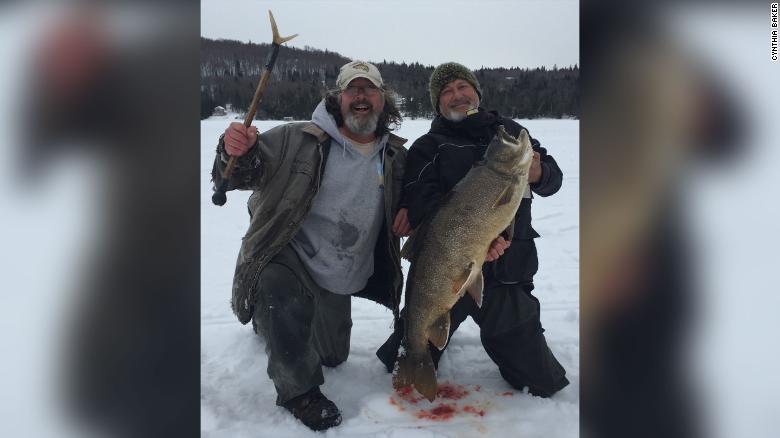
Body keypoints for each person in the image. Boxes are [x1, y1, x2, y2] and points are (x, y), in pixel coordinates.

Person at [212, 60, 410, 431]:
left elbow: (415, 200)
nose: (361, 96)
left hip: (341, 268)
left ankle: (274, 322)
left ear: (384, 100)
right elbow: (240, 172)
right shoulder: (296, 137)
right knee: (277, 291)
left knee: (332, 356)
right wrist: (233, 149)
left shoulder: (395, 156)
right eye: (353, 89)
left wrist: (411, 212)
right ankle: (298, 392)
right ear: (338, 98)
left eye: (369, 89)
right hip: (288, 252)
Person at [376, 62, 569, 397]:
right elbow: (421, 201)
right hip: (447, 267)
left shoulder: (509, 135)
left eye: (463, 86)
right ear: (438, 104)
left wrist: (538, 174)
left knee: (542, 383)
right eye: (446, 92)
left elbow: (553, 178)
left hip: (507, 273)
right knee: (405, 352)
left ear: (476, 92)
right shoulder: (428, 146)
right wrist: (477, 240)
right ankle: (420, 349)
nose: (457, 95)